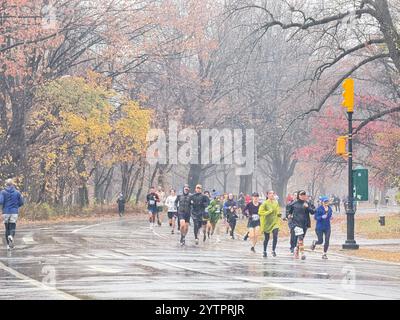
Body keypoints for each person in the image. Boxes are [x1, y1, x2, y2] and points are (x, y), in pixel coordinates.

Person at [287, 190, 315, 260]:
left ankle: (296, 250)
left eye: (304, 195)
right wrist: (289, 216)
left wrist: (308, 207)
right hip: (296, 223)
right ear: (298, 196)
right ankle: (302, 253)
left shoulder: (307, 203)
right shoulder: (293, 204)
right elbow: (288, 212)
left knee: (301, 238)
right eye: (301, 195)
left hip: (305, 224)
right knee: (300, 238)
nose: (302, 196)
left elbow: (313, 212)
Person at [0, 179, 24, 250]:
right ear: (12, 184)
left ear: (6, 184)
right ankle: (11, 236)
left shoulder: (3, 192)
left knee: (7, 228)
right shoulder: (17, 192)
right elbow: (21, 202)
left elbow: (1, 201)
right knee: (12, 227)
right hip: (14, 212)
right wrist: (16, 206)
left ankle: (8, 245)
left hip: (5, 212)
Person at [259, 190, 281, 258]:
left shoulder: (276, 203)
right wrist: (268, 212)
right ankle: (264, 251)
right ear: (267, 195)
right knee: (267, 238)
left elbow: (277, 210)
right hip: (267, 223)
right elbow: (260, 212)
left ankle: (273, 250)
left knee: (275, 235)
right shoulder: (265, 203)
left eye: (273, 193)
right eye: (270, 193)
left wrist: (278, 213)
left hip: (275, 222)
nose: (272, 195)